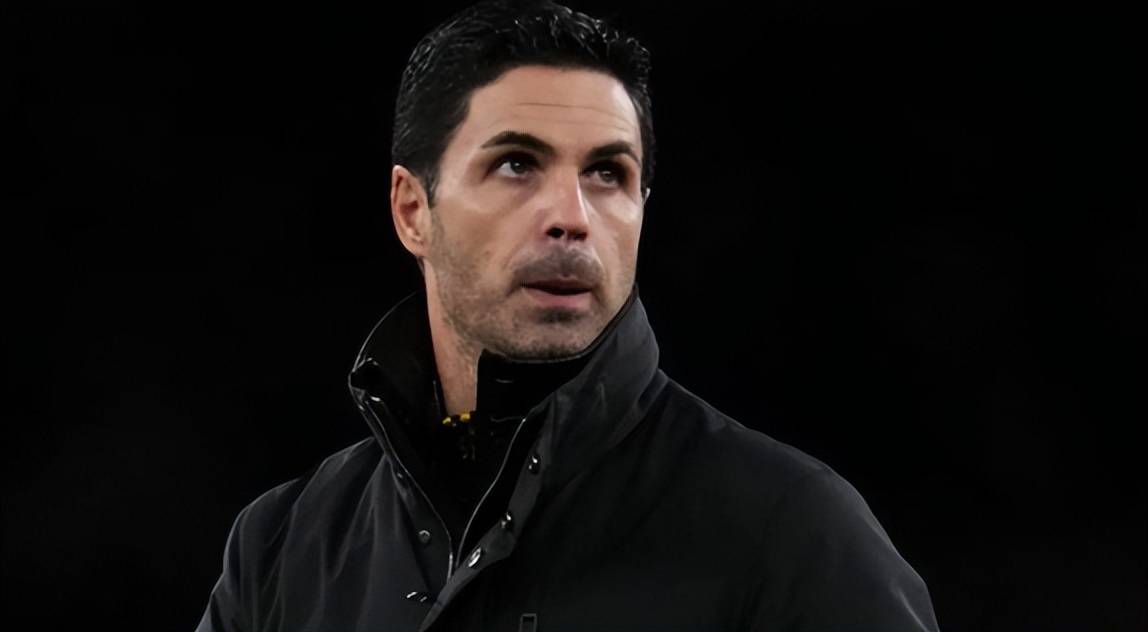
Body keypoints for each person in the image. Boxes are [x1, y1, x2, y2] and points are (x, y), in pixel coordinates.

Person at [195, 1, 942, 630]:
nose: (572, 216)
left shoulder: (795, 536)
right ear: (412, 210)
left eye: (607, 173)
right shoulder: (283, 549)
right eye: (517, 164)